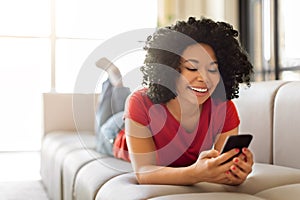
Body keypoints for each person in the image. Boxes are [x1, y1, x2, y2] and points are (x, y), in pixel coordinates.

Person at [95, 16, 254, 186]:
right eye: (192, 68)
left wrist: (234, 171)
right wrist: (195, 173)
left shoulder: (224, 108)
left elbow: (220, 166)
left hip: (136, 119)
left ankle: (118, 84)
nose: (204, 78)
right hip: (115, 134)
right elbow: (143, 172)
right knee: (108, 115)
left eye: (213, 69)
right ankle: (114, 79)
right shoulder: (139, 102)